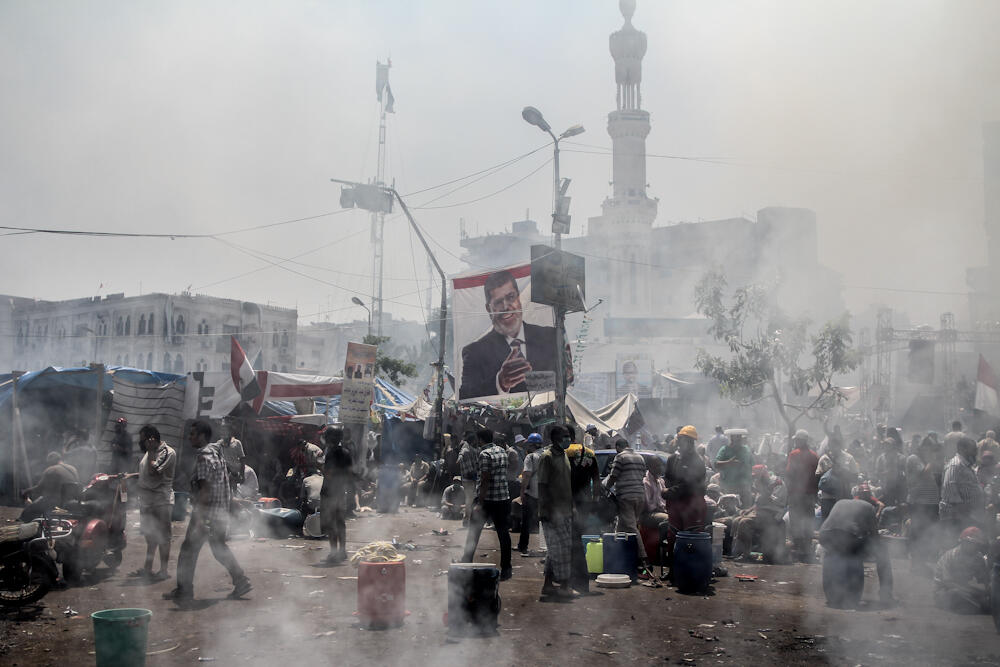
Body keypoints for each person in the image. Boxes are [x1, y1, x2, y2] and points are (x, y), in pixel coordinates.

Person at [165, 420, 251, 602]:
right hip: (220, 512)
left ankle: (184, 590)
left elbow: (205, 489)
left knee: (188, 550)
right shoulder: (216, 453)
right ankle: (240, 580)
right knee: (219, 548)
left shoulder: (204, 456)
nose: (189, 437)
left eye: (192, 434)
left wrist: (199, 518)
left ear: (202, 436)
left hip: (207, 513)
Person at [458, 269, 566, 399]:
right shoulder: (474, 353)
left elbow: (567, 380)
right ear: (488, 309)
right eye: (498, 302)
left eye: (510, 297)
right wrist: (500, 383)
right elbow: (465, 397)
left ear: (519, 298)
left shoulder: (550, 337)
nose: (506, 306)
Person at [819, 498, 893, 608]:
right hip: (847, 536)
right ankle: (885, 593)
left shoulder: (841, 501)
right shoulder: (869, 507)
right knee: (879, 552)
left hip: (824, 535)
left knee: (833, 554)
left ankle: (832, 597)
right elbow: (874, 536)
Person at [461, 428, 512, 581]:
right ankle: (507, 568)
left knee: (473, 532)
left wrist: (480, 503)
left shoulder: (484, 454)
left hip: (488, 499)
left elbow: (485, 479)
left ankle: (466, 562)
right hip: (503, 497)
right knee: (503, 534)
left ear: (480, 439)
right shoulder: (502, 450)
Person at [536, 425, 576, 599]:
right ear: (555, 438)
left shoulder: (564, 455)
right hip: (553, 512)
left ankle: (548, 585)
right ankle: (565, 587)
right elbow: (542, 486)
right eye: (565, 436)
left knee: (554, 550)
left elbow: (566, 484)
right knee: (564, 549)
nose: (568, 439)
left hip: (565, 510)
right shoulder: (547, 457)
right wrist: (547, 510)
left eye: (569, 436)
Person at [132, 425, 176, 581]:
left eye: (143, 439)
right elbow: (146, 472)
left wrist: (150, 451)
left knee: (163, 536)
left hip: (161, 501)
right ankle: (148, 568)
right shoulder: (149, 453)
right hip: (147, 501)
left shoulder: (167, 452)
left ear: (151, 439)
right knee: (150, 536)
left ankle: (163, 570)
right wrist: (131, 475)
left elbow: (153, 471)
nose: (141, 442)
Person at [663, 425, 708, 566]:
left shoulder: (697, 461)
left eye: (684, 440)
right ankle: (673, 570)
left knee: (691, 538)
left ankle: (691, 570)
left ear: (690, 442)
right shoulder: (672, 459)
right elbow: (668, 478)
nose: (680, 442)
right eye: (679, 439)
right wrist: (669, 492)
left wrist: (669, 492)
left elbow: (690, 485)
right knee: (672, 536)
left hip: (692, 504)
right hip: (675, 504)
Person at [603, 437, 649, 569]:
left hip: (626, 497)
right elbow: (642, 476)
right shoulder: (640, 457)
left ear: (618, 447)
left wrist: (605, 488)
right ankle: (615, 552)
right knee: (622, 525)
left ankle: (643, 559)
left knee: (631, 527)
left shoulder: (620, 457)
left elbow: (613, 476)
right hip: (640, 496)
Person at [730, 464, 787, 562]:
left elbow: (774, 502)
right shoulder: (760, 482)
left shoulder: (777, 483)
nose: (755, 478)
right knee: (736, 520)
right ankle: (736, 552)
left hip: (773, 513)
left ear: (763, 474)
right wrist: (748, 510)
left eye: (757, 476)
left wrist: (764, 491)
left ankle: (746, 554)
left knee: (744, 523)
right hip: (761, 512)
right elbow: (758, 503)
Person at [566, 432, 601, 592]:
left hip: (569, 502)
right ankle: (580, 581)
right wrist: (595, 500)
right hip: (585, 502)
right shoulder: (589, 453)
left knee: (572, 542)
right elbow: (596, 479)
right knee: (577, 539)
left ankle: (577, 581)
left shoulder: (566, 452)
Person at [906, 436, 943, 574]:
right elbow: (923, 474)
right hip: (920, 503)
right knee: (918, 533)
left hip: (929, 503)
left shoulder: (925, 460)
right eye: (929, 447)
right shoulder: (914, 458)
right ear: (922, 447)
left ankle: (920, 562)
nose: (931, 451)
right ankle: (915, 563)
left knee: (926, 534)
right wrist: (932, 460)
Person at [933, 527, 991, 614]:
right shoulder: (951, 556)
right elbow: (948, 583)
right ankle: (977, 607)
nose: (974, 547)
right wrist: (973, 591)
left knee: (987, 596)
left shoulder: (978, 558)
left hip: (965, 591)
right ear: (963, 542)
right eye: (971, 543)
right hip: (944, 592)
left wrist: (988, 590)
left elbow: (984, 580)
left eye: (976, 544)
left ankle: (975, 606)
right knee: (957, 593)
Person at [940, 437, 986, 539]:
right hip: (956, 519)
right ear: (962, 449)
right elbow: (950, 491)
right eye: (973, 449)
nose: (975, 452)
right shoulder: (955, 465)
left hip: (968, 518)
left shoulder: (966, 466)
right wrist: (965, 514)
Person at [785, 429, 820, 562]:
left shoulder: (794, 454)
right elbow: (817, 475)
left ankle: (798, 549)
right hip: (810, 495)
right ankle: (807, 550)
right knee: (808, 521)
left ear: (800, 441)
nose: (795, 442)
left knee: (796, 521)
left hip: (796, 495)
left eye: (796, 440)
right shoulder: (814, 455)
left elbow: (789, 473)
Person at [320, 425, 353, 563]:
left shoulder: (331, 453)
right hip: (341, 492)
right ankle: (342, 551)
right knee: (340, 522)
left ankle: (333, 553)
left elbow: (329, 474)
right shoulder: (346, 452)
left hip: (330, 493)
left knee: (331, 523)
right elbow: (349, 474)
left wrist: (319, 467)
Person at [20, 452, 79, 521]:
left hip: (56, 502)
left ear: (51, 461)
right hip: (71, 501)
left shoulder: (51, 470)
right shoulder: (73, 469)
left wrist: (27, 491)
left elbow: (40, 488)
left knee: (27, 512)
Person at [816, 435, 860, 522]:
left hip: (844, 498)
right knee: (827, 523)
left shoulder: (849, 458)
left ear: (840, 445)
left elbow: (855, 478)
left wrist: (842, 472)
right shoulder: (824, 458)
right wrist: (829, 475)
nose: (832, 447)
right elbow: (818, 477)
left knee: (843, 523)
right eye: (830, 445)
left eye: (834, 444)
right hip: (827, 498)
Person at [517, 433, 544, 555]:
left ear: (532, 445)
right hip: (545, 494)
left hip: (532, 493)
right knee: (545, 521)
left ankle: (523, 546)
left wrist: (522, 492)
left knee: (526, 521)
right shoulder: (547, 455)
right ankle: (548, 548)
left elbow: (526, 475)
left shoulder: (530, 457)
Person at [714, 429, 753, 507]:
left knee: (746, 508)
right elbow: (716, 464)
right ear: (732, 439)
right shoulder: (724, 449)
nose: (739, 440)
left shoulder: (746, 449)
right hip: (729, 485)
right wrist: (729, 462)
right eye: (737, 438)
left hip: (744, 485)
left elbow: (751, 463)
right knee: (731, 508)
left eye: (739, 438)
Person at [875, 437, 906, 507]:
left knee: (900, 506)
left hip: (899, 486)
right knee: (888, 506)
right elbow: (877, 473)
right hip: (886, 487)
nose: (886, 446)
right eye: (885, 444)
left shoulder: (901, 458)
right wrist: (885, 474)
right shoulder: (881, 458)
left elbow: (906, 472)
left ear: (893, 446)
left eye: (888, 445)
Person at [457, 431, 479, 526]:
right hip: (469, 480)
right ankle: (467, 521)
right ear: (473, 440)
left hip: (469, 479)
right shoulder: (466, 451)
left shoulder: (469, 449)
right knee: (470, 501)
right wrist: (476, 477)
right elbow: (470, 470)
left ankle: (468, 520)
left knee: (470, 500)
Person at [218, 425, 247, 494]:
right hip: (223, 471)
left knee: (233, 492)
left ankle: (234, 502)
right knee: (224, 491)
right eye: (222, 430)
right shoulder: (219, 443)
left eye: (225, 430)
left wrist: (242, 474)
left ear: (230, 432)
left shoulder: (237, 443)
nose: (223, 432)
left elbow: (242, 458)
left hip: (234, 472)